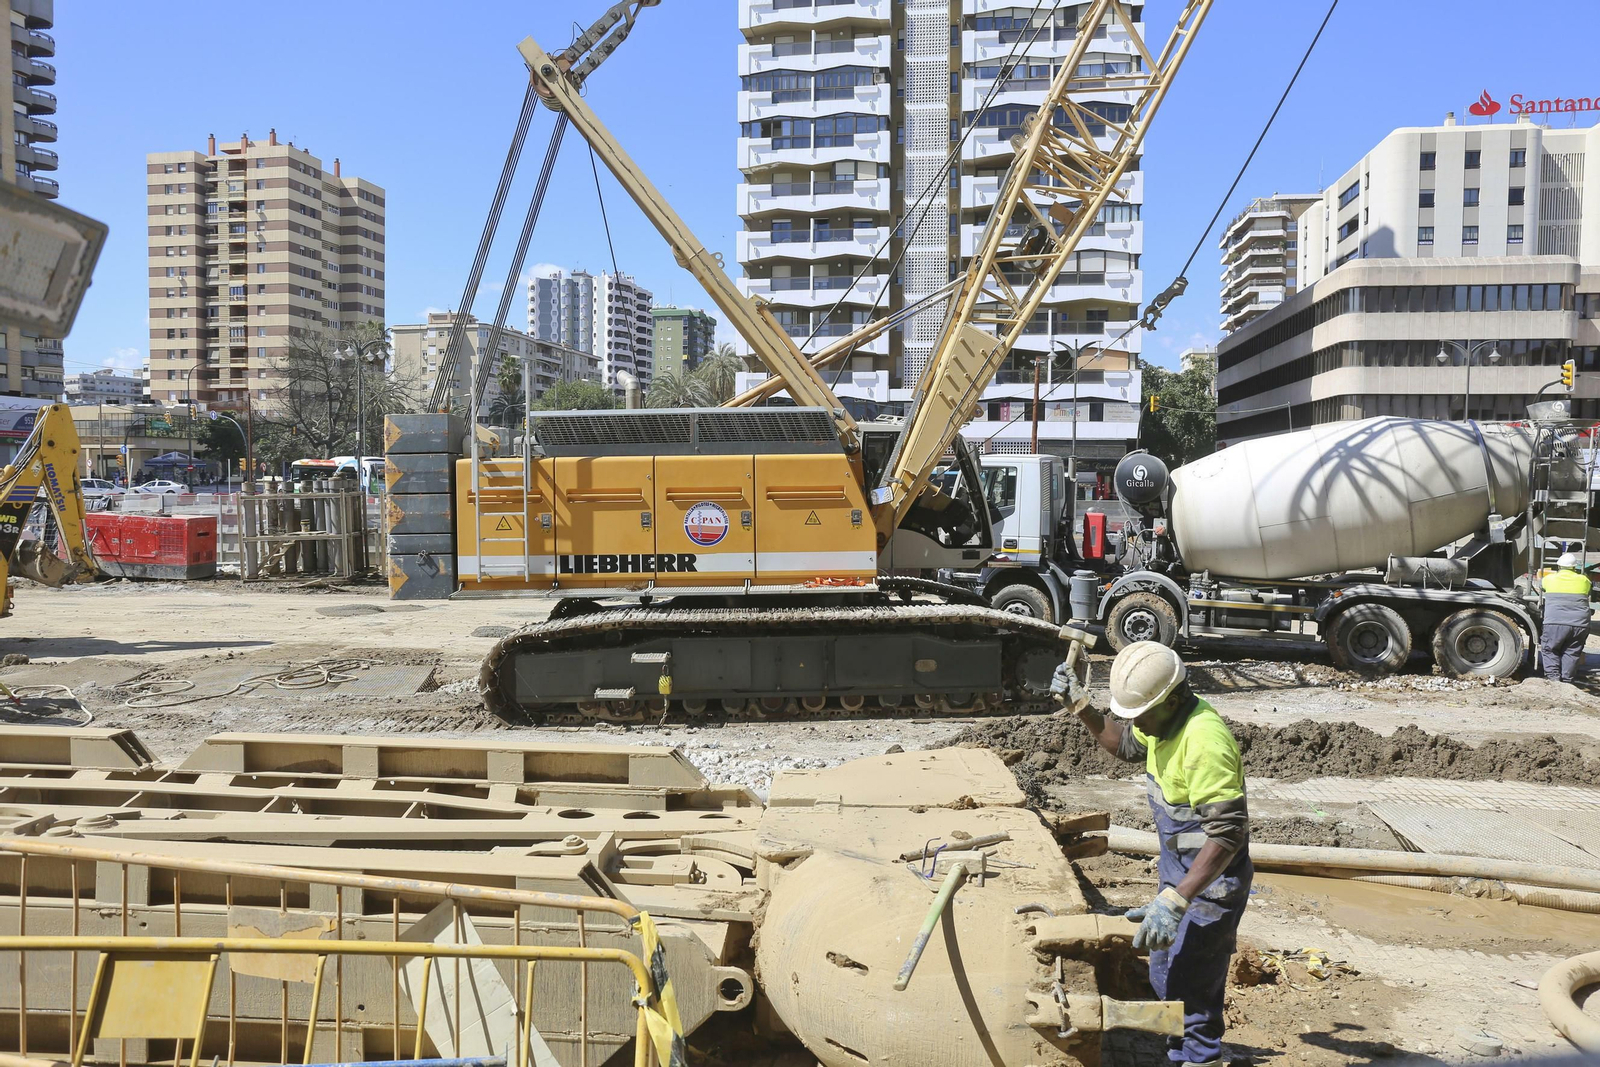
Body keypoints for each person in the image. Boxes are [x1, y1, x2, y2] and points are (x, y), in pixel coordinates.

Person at [1053, 642, 1251, 1067]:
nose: (1136, 722)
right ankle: (1179, 1053)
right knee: (1167, 975)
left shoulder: (1203, 741)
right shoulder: (1162, 721)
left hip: (1210, 886)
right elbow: (1125, 744)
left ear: (1173, 700)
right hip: (1180, 877)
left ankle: (1200, 1059)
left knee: (1192, 992)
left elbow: (1228, 833)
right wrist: (1081, 706)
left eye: (1141, 713)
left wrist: (1178, 899)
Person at [1541, 552, 1593, 684]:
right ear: (1574, 567)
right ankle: (1567, 682)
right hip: (1580, 624)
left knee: (1550, 649)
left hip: (1555, 621)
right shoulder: (1584, 580)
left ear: (1559, 566)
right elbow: (1588, 590)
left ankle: (1554, 680)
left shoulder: (1549, 579)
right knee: (1572, 652)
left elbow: (1543, 587)